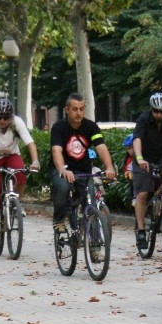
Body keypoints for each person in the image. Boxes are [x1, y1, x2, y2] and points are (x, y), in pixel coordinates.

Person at [49, 93, 117, 232]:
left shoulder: (91, 127)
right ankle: (59, 220)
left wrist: (109, 167)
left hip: (83, 171)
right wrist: (63, 169)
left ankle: (94, 248)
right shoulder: (58, 127)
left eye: (81, 109)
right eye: (74, 109)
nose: (78, 113)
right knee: (63, 187)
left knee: (90, 202)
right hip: (62, 169)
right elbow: (56, 151)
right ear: (66, 110)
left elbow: (101, 147)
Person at [0, 99, 39, 244]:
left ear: (10, 117)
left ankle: (15, 203)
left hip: (11, 155)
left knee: (21, 176)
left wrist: (35, 162)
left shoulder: (17, 122)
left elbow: (30, 143)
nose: (2, 121)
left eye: (5, 118)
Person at [132, 92, 162, 249]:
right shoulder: (143, 119)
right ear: (151, 109)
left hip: (160, 156)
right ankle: (141, 231)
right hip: (143, 158)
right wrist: (139, 158)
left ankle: (161, 203)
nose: (159, 114)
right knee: (143, 193)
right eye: (156, 111)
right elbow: (137, 139)